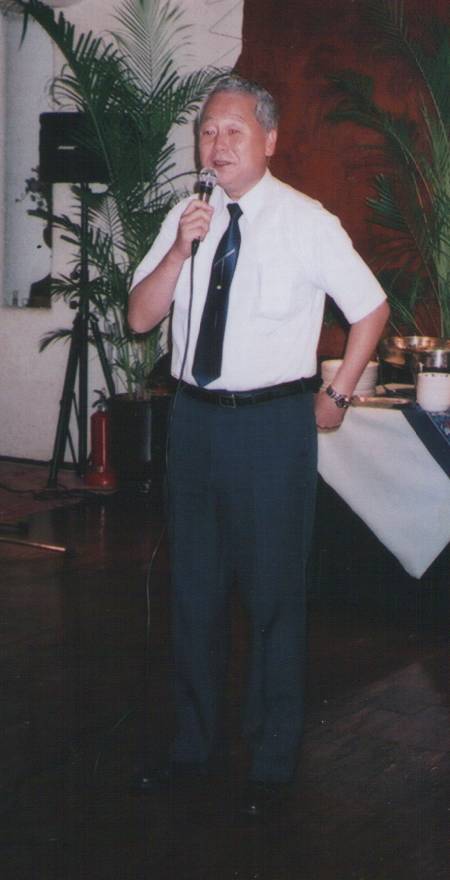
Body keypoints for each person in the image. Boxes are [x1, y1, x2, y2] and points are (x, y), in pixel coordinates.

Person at [128, 75, 389, 819]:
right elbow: (140, 319)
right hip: (195, 422)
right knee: (194, 593)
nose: (217, 145)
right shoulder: (187, 215)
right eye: (208, 131)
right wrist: (179, 250)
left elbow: (370, 308)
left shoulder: (307, 221)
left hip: (271, 427)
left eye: (234, 131)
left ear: (270, 140)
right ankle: (194, 748)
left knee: (274, 599)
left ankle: (272, 764)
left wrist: (338, 394)